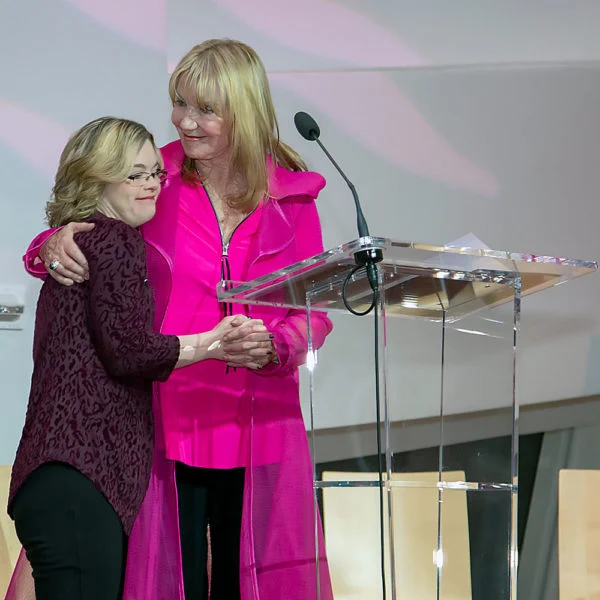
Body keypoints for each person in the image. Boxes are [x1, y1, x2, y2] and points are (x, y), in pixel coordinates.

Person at [22, 39, 334, 600]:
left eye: (205, 109)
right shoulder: (152, 177)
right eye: (179, 103)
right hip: (167, 421)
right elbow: (84, 227)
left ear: (244, 111)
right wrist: (51, 243)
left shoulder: (294, 200)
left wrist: (276, 346)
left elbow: (313, 315)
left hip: (261, 424)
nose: (186, 122)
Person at [7, 116, 253, 600]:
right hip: (79, 478)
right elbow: (130, 352)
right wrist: (214, 342)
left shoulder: (80, 240)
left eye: (154, 173)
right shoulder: (115, 239)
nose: (150, 186)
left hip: (55, 480)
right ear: (96, 177)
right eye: (132, 174)